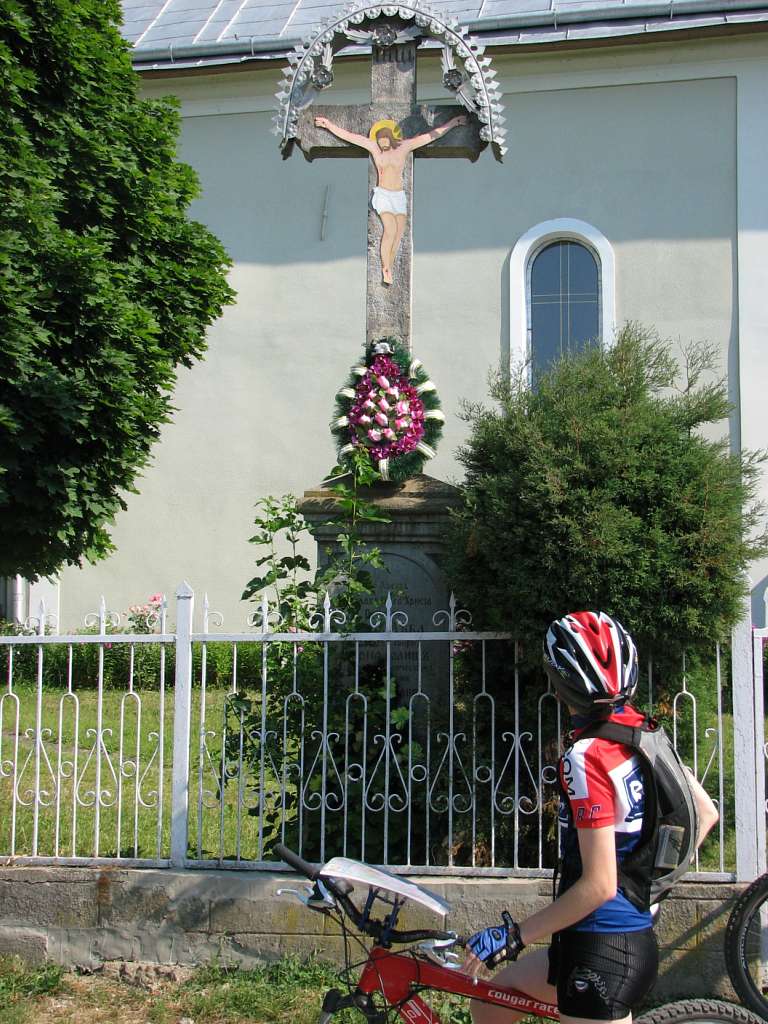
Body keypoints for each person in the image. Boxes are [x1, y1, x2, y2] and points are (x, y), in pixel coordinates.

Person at [462, 611, 719, 1024]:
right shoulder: (644, 733)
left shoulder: (587, 755)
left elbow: (599, 885)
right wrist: (644, 889)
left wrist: (512, 937)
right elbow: (704, 813)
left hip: (602, 953)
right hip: (599, 941)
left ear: (559, 682)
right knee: (493, 999)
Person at [313, 114, 467, 285]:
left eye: (384, 139)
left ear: (391, 138)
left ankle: (389, 266)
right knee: (390, 229)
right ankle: (385, 268)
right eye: (379, 140)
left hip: (398, 196)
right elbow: (351, 137)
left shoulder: (404, 147)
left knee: (399, 234)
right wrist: (329, 125)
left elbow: (429, 137)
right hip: (383, 195)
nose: (381, 143)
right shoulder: (374, 148)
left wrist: (452, 123)